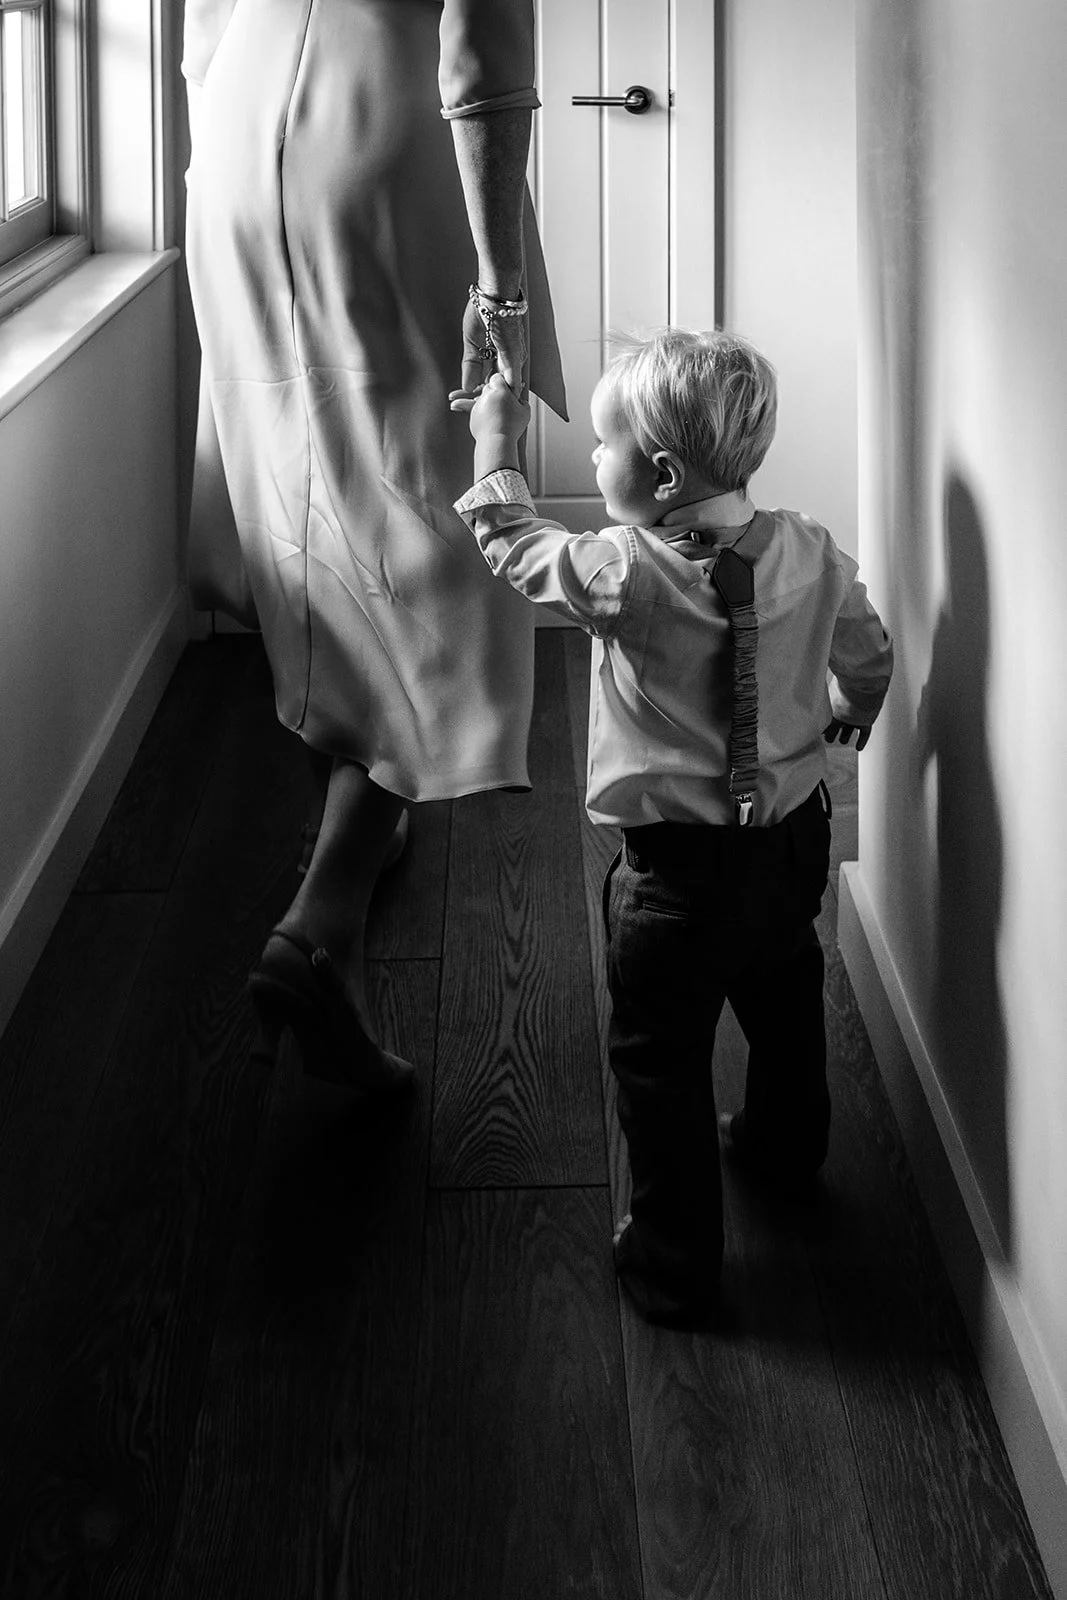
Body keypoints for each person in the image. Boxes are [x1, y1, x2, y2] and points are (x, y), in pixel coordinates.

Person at [451, 329, 893, 1323]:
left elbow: (512, 546)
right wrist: (846, 711)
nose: (595, 463)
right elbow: (864, 650)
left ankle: (672, 1260)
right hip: (786, 847)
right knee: (784, 1003)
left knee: (657, 1063)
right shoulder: (811, 551)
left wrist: (495, 438)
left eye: (602, 448)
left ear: (655, 472)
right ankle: (784, 1150)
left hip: (672, 881)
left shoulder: (620, 572)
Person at [181, 0, 566, 1093]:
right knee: (441, 523)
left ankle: (351, 820)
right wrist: (501, 283)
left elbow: (199, 29)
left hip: (237, 129)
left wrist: (225, 133)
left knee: (297, 493)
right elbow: (483, 41)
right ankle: (327, 914)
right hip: (385, 128)